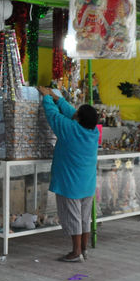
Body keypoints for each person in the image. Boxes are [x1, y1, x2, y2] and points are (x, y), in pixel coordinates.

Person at [38, 85, 99, 263]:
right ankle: (84, 249)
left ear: (79, 118)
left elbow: (53, 115)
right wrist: (58, 99)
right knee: (85, 218)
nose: (74, 113)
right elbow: (72, 113)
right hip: (87, 182)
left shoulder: (70, 129)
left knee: (73, 218)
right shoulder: (93, 131)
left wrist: (47, 97)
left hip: (71, 183)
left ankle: (76, 252)